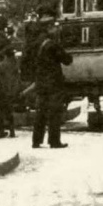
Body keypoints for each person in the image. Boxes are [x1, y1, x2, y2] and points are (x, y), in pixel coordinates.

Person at [30, 14, 72, 149]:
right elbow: (67, 60)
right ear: (48, 27)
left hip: (41, 82)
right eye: (54, 26)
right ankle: (54, 141)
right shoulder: (52, 44)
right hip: (53, 82)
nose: (56, 29)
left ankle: (36, 141)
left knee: (40, 111)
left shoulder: (36, 42)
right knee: (54, 111)